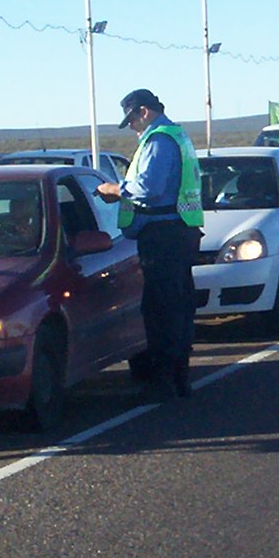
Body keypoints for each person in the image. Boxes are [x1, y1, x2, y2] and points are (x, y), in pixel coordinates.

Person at [96, 88, 204, 398]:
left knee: (161, 309)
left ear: (143, 111)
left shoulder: (158, 140)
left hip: (162, 234)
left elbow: (148, 188)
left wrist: (114, 189)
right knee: (179, 304)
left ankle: (165, 379)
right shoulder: (178, 135)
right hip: (181, 230)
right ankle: (179, 376)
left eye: (131, 118)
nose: (130, 126)